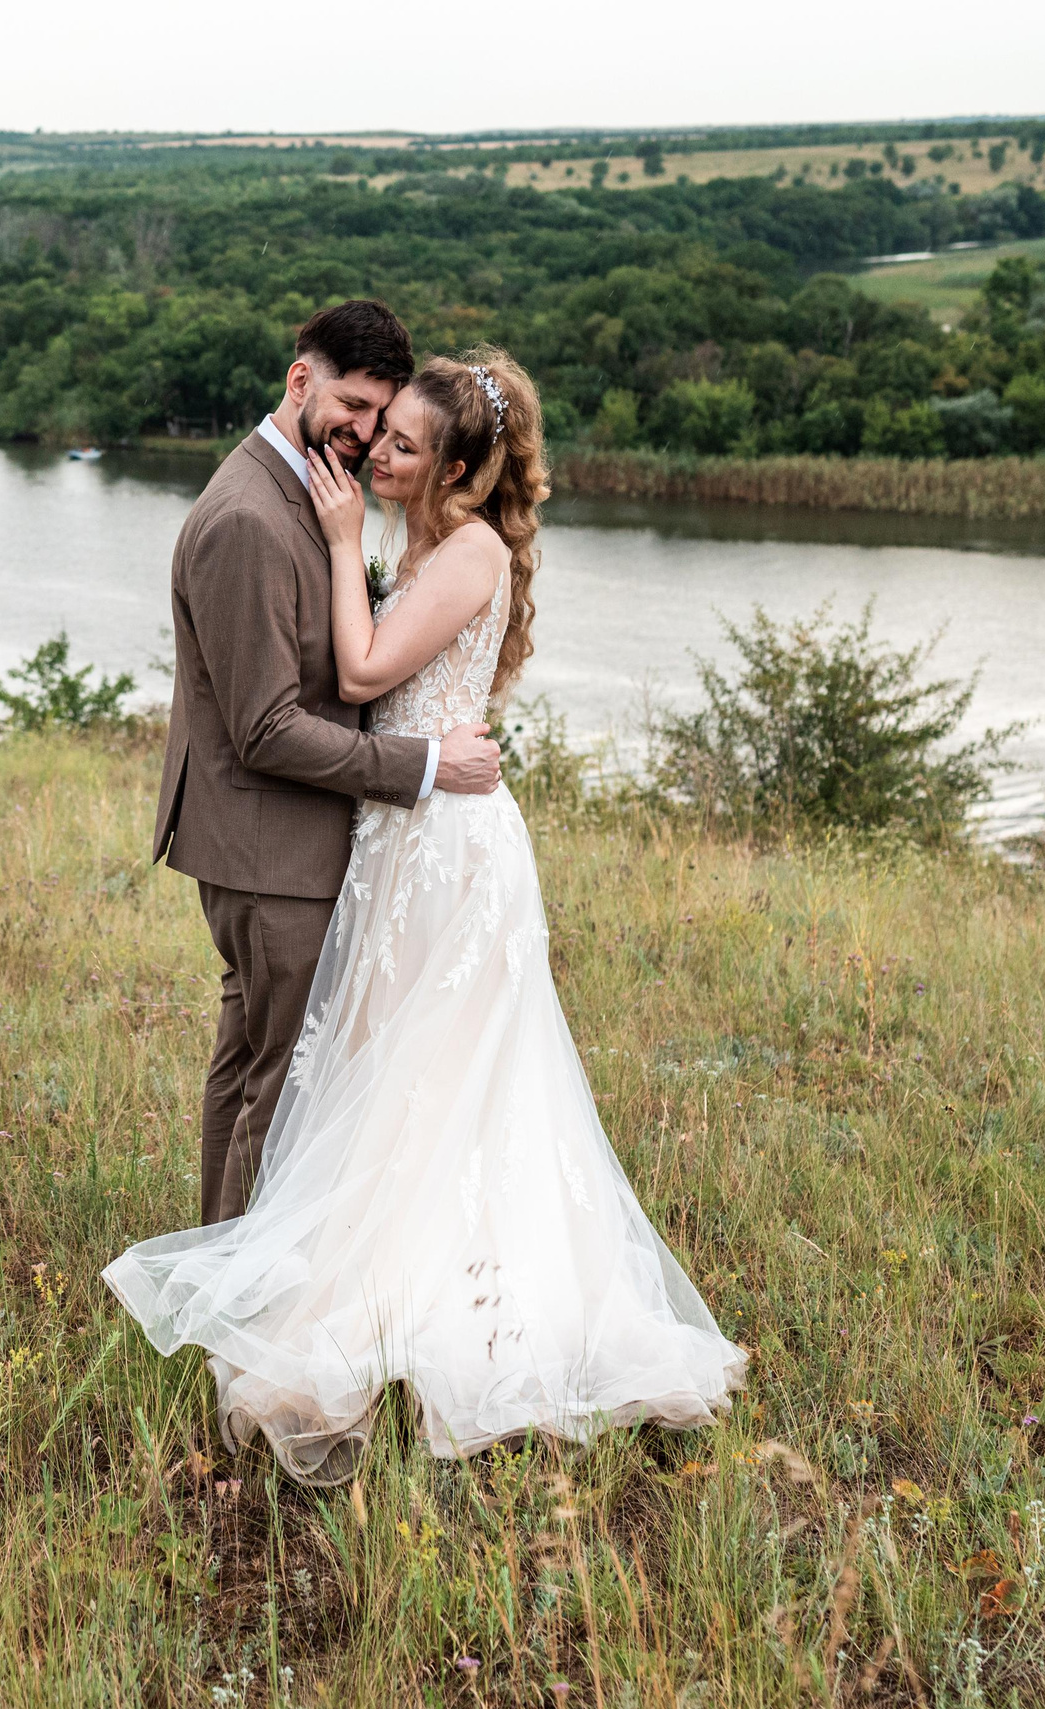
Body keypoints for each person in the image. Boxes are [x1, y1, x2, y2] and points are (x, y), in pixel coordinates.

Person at [108, 344, 746, 1485]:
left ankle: (465, 1315)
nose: (374, 448)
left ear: (455, 461)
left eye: (399, 438)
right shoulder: (415, 536)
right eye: (374, 424)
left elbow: (357, 675)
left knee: (442, 1077)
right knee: (380, 1073)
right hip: (400, 833)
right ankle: (336, 1271)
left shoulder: (467, 550)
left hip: (447, 850)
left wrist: (348, 544)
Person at [147, 299, 505, 1229]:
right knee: (282, 1088)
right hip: (269, 851)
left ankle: (221, 1275)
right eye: (350, 404)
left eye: (380, 417)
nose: (362, 432)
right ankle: (245, 1307)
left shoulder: (309, 484)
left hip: (291, 848)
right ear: (299, 378)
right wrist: (423, 765)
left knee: (257, 1073)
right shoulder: (247, 519)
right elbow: (265, 728)